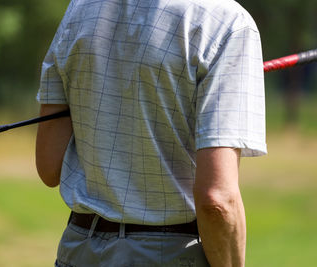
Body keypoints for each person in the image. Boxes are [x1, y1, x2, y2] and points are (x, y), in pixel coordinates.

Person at [35, 0, 267, 266]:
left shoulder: (79, 8)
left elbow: (49, 166)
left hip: (78, 250)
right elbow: (217, 202)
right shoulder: (227, 22)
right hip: (168, 254)